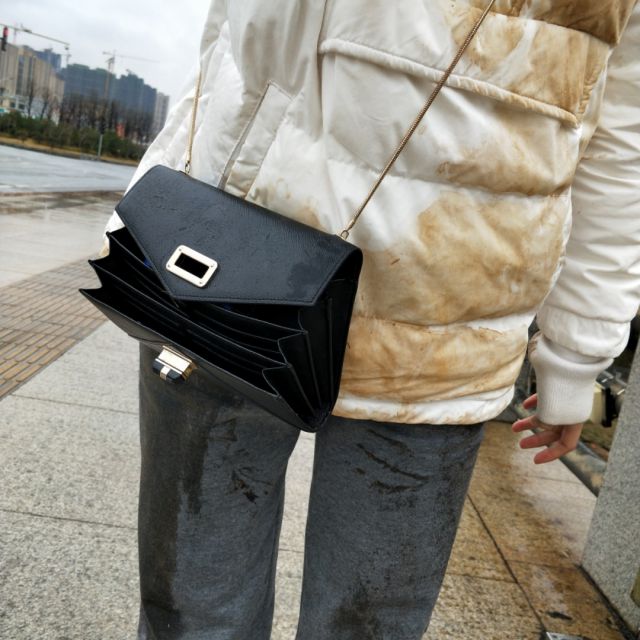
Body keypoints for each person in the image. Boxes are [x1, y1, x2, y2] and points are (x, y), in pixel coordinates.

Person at [102, 2, 640, 638]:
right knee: (193, 610)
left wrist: (576, 353)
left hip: (431, 314)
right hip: (236, 258)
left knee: (341, 621)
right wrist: (169, 174)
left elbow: (618, 142)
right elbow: (226, 38)